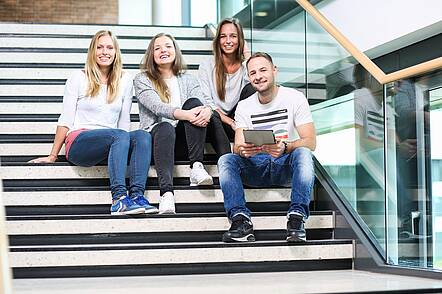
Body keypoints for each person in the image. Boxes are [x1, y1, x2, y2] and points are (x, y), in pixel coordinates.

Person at [28, 30, 156, 216]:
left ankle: (136, 197)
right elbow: (66, 117)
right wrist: (53, 155)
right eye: (100, 47)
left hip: (111, 143)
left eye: (109, 47)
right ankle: (119, 199)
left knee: (142, 135)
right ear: (92, 51)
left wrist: (124, 148)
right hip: (80, 143)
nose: (105, 52)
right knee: (118, 135)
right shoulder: (78, 77)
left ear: (116, 52)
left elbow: (124, 119)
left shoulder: (125, 79)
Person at [217, 52, 316, 243]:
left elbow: (310, 141)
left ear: (274, 70)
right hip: (256, 167)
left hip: (284, 166)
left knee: (303, 152)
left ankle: (296, 219)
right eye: (253, 73)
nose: (258, 76)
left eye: (263, 70)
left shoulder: (295, 98)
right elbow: (237, 147)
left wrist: (286, 147)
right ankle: (240, 221)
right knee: (226, 159)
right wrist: (243, 150)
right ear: (249, 78)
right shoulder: (244, 106)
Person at [134, 33, 230, 214]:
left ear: (175, 51)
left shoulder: (189, 79)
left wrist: (208, 110)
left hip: (186, 140)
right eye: (158, 48)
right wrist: (186, 115)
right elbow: (157, 107)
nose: (164, 50)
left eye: (168, 46)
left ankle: (202, 166)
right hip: (159, 142)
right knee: (165, 127)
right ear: (151, 54)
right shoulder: (142, 79)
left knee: (198, 105)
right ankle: (166, 194)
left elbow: (202, 103)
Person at [198, 18, 256, 140]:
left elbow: (255, 84)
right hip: (216, 120)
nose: (228, 41)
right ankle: (224, 157)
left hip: (240, 119)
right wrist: (230, 122)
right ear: (218, 40)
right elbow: (207, 102)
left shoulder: (245, 65)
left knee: (252, 87)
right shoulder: (206, 65)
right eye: (223, 36)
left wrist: (247, 54)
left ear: (240, 39)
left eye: (233, 36)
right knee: (211, 113)